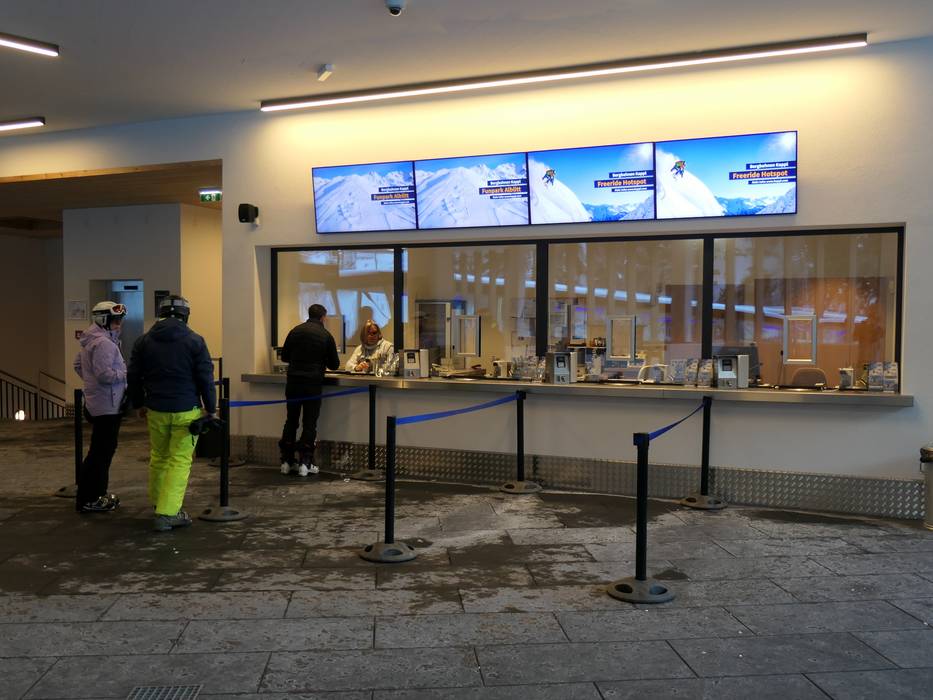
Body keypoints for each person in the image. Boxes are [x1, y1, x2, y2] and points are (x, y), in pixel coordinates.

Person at [127, 294, 216, 532]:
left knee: (159, 456)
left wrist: (139, 404)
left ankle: (159, 503)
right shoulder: (195, 341)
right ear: (186, 315)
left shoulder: (143, 341)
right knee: (180, 460)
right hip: (186, 410)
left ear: (161, 314)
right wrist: (211, 408)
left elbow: (133, 376)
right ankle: (167, 513)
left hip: (155, 409)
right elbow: (205, 378)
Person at [73, 301, 127, 513]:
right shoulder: (104, 344)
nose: (118, 324)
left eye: (120, 320)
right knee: (101, 454)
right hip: (108, 405)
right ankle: (91, 498)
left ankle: (93, 495)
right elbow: (105, 375)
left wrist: (91, 384)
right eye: (115, 320)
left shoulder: (91, 340)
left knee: (99, 452)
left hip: (99, 402)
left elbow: (78, 365)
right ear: (103, 320)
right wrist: (125, 375)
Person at [279, 303, 340, 476]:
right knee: (309, 423)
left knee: (291, 420)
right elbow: (334, 365)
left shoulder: (295, 331)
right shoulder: (326, 335)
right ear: (323, 317)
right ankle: (305, 463)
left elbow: (284, 356)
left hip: (293, 382)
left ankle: (286, 461)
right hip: (312, 384)